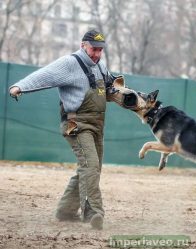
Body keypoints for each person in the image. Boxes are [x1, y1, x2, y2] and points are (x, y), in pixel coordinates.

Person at [9, 29, 118, 230]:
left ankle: (66, 211)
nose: (97, 54)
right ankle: (93, 212)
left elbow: (112, 88)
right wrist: (19, 86)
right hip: (75, 124)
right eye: (94, 49)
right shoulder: (70, 63)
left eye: (100, 50)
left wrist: (135, 98)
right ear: (83, 45)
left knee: (90, 169)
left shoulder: (100, 66)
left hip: (96, 125)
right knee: (91, 166)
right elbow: (44, 75)